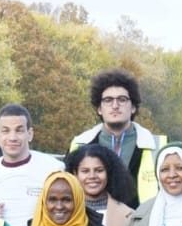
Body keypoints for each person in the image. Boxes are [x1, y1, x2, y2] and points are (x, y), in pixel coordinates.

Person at [68, 70, 163, 205]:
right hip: (90, 222)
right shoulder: (80, 143)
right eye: (108, 100)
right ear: (99, 109)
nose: (115, 106)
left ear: (133, 107)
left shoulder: (158, 145)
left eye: (122, 99)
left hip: (142, 222)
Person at [0, 104, 62, 226]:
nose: (12, 137)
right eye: (6, 131)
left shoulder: (54, 169)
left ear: (30, 134)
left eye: (19, 130)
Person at [63, 143, 135, 226]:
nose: (92, 176)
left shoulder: (129, 215)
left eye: (99, 170)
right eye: (85, 171)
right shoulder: (62, 210)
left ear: (108, 173)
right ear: (75, 174)